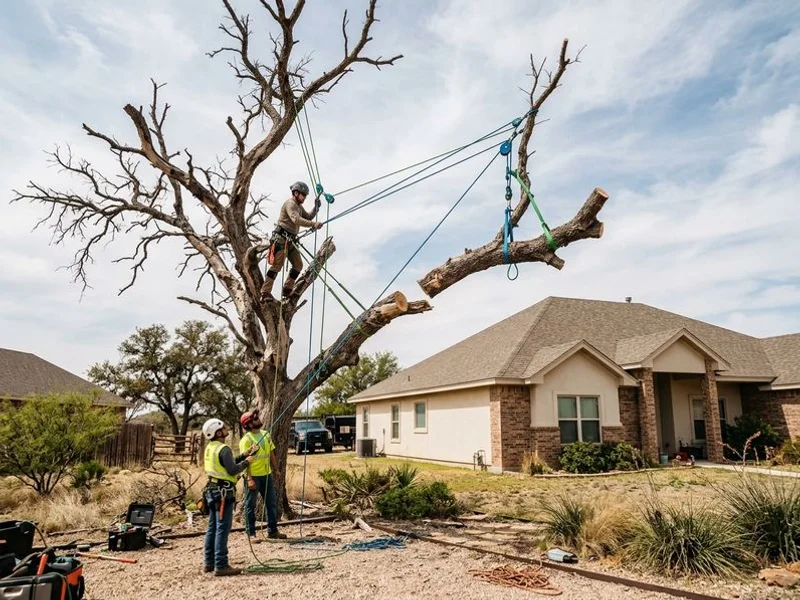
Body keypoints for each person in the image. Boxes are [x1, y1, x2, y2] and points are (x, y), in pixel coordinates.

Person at [201, 418, 257, 576]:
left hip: (211, 492)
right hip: (223, 494)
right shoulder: (224, 449)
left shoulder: (211, 447)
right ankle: (221, 565)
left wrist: (245, 454)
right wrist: (247, 462)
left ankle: (209, 563)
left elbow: (227, 463)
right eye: (224, 428)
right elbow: (232, 470)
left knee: (212, 528)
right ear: (218, 432)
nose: (226, 429)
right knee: (222, 529)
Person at [261, 181, 323, 300]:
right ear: (295, 193)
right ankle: (265, 293)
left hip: (291, 241)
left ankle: (287, 289)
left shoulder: (299, 206)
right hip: (281, 240)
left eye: (305, 195)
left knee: (298, 265)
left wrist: (316, 208)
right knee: (277, 266)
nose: (304, 197)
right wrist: (313, 224)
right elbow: (296, 219)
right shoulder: (290, 204)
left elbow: (308, 216)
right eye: (302, 195)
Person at [239, 410, 287, 542]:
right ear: (248, 424)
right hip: (253, 477)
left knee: (271, 503)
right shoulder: (246, 440)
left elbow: (271, 453)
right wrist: (249, 479)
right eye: (255, 418)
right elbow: (245, 461)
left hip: (267, 475)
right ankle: (251, 534)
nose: (258, 419)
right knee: (250, 506)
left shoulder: (266, 434)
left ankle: (272, 531)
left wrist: (276, 469)